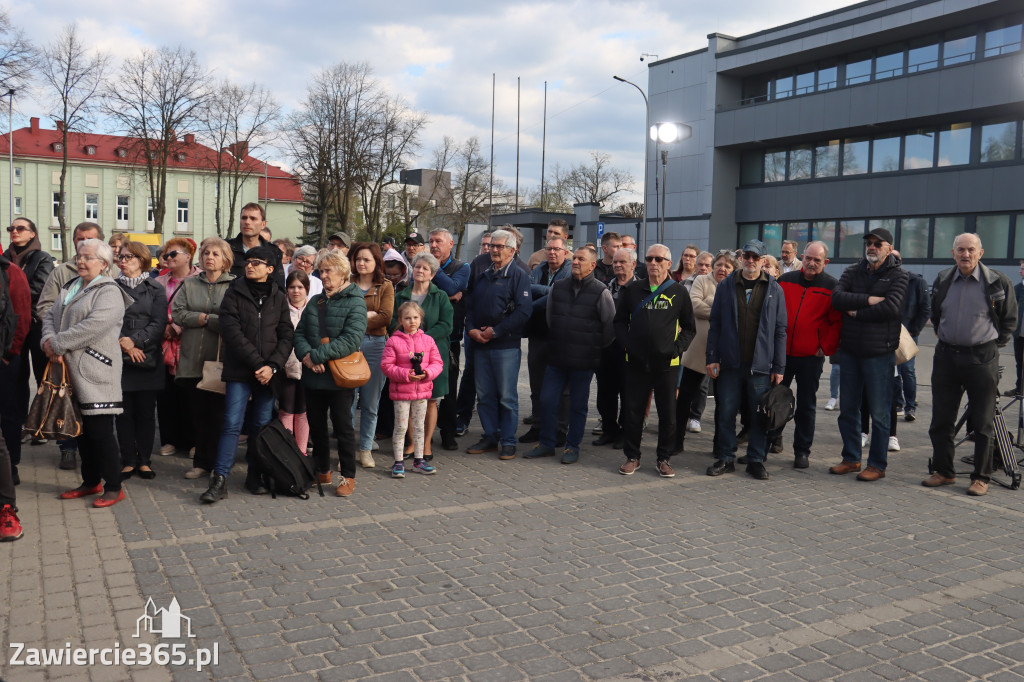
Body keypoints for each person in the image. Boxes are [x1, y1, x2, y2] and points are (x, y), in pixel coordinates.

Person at [924, 233, 1016, 497]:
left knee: (983, 421)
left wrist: (991, 347)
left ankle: (981, 476)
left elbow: (1009, 320)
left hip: (982, 358)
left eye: (971, 250)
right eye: (961, 250)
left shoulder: (998, 281)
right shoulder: (943, 279)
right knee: (941, 418)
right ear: (953, 253)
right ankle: (944, 471)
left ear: (981, 252)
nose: (966, 254)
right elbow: (936, 313)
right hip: (946, 357)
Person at [200, 245, 293, 503]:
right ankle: (219, 480)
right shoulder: (234, 291)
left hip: (268, 373)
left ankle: (256, 475)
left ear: (270, 269)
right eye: (248, 261)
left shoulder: (278, 296)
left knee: (260, 426)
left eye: (257, 262)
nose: (250, 265)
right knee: (231, 424)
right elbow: (232, 332)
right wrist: (258, 364)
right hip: (241, 370)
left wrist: (272, 366)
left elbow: (286, 335)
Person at [43, 238, 130, 508]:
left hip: (96, 371)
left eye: (88, 257)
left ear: (104, 264)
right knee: (80, 431)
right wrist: (47, 341)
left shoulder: (109, 291)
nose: (81, 261)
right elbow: (49, 316)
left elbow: (94, 326)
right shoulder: (71, 286)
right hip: (68, 370)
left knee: (101, 433)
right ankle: (90, 481)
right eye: (80, 256)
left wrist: (57, 343)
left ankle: (114, 486)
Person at [829, 227, 908, 482]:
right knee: (848, 409)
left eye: (877, 243)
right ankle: (851, 458)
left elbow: (892, 308)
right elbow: (838, 299)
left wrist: (858, 311)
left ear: (888, 247)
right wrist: (872, 299)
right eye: (869, 243)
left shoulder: (899, 275)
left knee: (880, 411)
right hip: (850, 350)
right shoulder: (853, 270)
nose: (871, 247)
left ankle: (876, 464)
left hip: (879, 353)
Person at [524, 247, 615, 464]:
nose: (575, 262)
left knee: (577, 406)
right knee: (547, 400)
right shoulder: (559, 287)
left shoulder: (601, 291)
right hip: (556, 358)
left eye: (581, 259)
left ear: (592, 265)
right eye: (574, 258)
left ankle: (572, 446)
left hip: (584, 361)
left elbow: (609, 327)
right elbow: (550, 319)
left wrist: (591, 347)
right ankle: (546, 444)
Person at [706, 239, 786, 480]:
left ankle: (755, 460)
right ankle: (726, 457)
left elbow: (781, 329)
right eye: (746, 257)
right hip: (730, 364)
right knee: (727, 412)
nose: (750, 261)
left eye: (755, 257)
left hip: (760, 366)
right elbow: (716, 324)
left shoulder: (774, 289)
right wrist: (712, 357)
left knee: (759, 415)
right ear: (740, 259)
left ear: (763, 260)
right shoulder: (727, 286)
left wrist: (779, 366)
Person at [614, 244, 696, 478]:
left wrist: (676, 349)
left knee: (668, 414)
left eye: (659, 259)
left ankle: (664, 458)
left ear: (669, 264)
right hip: (637, 362)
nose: (653, 263)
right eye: (649, 258)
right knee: (633, 412)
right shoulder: (633, 289)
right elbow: (619, 322)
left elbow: (690, 327)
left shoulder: (678, 292)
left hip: (666, 365)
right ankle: (632, 457)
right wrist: (627, 344)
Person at [292, 251, 367, 496]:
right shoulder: (315, 301)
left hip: (339, 376)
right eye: (320, 271)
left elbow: (351, 340)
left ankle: (348, 476)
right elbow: (300, 333)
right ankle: (322, 470)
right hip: (313, 374)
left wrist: (317, 356)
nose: (323, 276)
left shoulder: (356, 300)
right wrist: (306, 356)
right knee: (316, 425)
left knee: (343, 427)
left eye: (328, 271)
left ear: (343, 272)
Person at [766, 241, 842, 468]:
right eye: (808, 258)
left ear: (825, 263)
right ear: (802, 257)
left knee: (807, 405)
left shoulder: (832, 286)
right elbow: (771, 312)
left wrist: (825, 346)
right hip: (782, 355)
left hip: (810, 356)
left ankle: (802, 451)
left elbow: (836, 322)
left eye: (817, 260)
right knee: (775, 401)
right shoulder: (785, 281)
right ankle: (767, 444)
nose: (811, 263)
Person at [36, 221, 103, 468]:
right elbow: (45, 308)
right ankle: (67, 447)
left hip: (96, 353)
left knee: (94, 408)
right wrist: (54, 342)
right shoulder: (61, 272)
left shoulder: (111, 272)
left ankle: (98, 455)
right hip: (63, 353)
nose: (83, 243)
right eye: (79, 239)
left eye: (89, 239)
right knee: (64, 399)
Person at [463, 229, 533, 460]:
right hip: (480, 344)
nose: (493, 250)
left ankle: (509, 441)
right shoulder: (483, 274)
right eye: (492, 245)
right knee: (484, 396)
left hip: (505, 346)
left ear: (512, 250)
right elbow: (470, 305)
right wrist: (471, 329)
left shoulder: (519, 275)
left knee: (506, 397)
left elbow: (524, 310)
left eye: (499, 246)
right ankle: (490, 436)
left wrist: (497, 331)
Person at [171, 237, 235, 480]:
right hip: (192, 361)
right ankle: (200, 463)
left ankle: (217, 464)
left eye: (216, 254)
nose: (210, 257)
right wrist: (204, 319)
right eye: (207, 253)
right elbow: (177, 313)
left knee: (218, 416)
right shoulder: (189, 284)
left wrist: (206, 319)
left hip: (220, 361)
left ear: (225, 260)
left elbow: (233, 319)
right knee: (198, 416)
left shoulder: (234, 285)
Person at [388, 253, 453, 461]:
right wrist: (406, 338)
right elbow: (391, 321)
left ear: (433, 274)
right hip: (404, 356)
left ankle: (425, 445)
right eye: (417, 267)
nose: (420, 271)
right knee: (408, 399)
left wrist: (422, 339)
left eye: (425, 268)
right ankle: (411, 443)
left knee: (431, 400)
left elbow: (446, 324)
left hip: (433, 355)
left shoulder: (441, 296)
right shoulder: (400, 295)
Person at [114, 241, 166, 481]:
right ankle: (128, 460)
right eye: (121, 257)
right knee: (123, 413)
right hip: (119, 356)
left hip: (147, 355)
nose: (123, 261)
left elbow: (158, 323)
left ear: (142, 260)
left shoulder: (155, 288)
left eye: (129, 257)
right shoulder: (111, 287)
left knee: (146, 413)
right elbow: (107, 321)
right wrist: (124, 343)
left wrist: (135, 342)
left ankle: (144, 460)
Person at [676, 250, 736, 454]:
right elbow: (693, 305)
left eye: (727, 266)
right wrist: (721, 310)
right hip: (697, 349)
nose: (722, 269)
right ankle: (676, 440)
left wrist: (709, 304)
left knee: (723, 401)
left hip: (723, 354)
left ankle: (719, 445)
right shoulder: (701, 280)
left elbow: (737, 313)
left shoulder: (735, 285)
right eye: (719, 264)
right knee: (684, 397)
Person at [5, 218, 54, 456]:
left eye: (20, 228)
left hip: (36, 325)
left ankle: (43, 425)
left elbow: (41, 288)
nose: (14, 231)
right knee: (16, 377)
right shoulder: (5, 258)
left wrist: (15, 292)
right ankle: (22, 422)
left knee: (42, 375)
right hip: (11, 327)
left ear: (32, 233)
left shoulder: (41, 258)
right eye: (11, 228)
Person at [381, 301, 444, 478]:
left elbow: (437, 363)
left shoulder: (428, 340)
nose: (412, 321)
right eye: (407, 318)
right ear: (400, 320)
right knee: (401, 427)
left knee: (419, 427)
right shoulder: (393, 341)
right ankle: (398, 462)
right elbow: (386, 366)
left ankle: (419, 460)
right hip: (402, 391)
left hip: (422, 391)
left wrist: (427, 373)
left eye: (415, 317)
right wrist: (406, 374)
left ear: (421, 319)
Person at [521, 236, 572, 443]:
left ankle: (560, 429)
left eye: (557, 249)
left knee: (563, 387)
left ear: (565, 252)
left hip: (560, 336)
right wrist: (549, 292)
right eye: (549, 249)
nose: (552, 253)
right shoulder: (539, 269)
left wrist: (533, 304)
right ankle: (538, 425)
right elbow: (526, 290)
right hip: (537, 334)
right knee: (536, 384)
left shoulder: (569, 269)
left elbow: (561, 294)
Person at [349, 243, 394, 470]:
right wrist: (365, 316)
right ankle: (347, 452)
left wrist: (355, 319)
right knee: (347, 402)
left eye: (366, 259)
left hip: (376, 346)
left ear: (376, 262)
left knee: (370, 402)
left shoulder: (385, 286)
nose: (361, 263)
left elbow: (386, 317)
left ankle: (365, 448)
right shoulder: (347, 284)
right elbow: (339, 316)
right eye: (358, 259)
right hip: (348, 347)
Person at [155, 237, 199, 459]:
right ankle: (170, 439)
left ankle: (193, 441)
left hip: (189, 343)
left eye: (173, 254)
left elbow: (200, 308)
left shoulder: (199, 280)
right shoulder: (159, 281)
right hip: (163, 343)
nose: (168, 258)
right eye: (166, 255)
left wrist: (177, 327)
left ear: (188, 256)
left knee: (190, 393)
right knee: (166, 394)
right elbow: (152, 309)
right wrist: (163, 326)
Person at [427, 228, 470, 451]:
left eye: (439, 241)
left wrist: (432, 268)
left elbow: (455, 286)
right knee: (422, 387)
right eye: (431, 241)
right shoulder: (421, 265)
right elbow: (423, 291)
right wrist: (447, 293)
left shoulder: (462, 267)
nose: (434, 245)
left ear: (451, 244)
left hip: (450, 340)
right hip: (423, 337)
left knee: (448, 389)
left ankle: (448, 432)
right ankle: (421, 434)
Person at [594, 248, 640, 448]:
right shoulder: (606, 288)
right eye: (615, 262)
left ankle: (625, 432)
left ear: (633, 265)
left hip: (630, 350)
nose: (618, 265)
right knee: (605, 393)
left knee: (629, 394)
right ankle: (609, 429)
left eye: (622, 262)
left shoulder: (641, 289)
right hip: (607, 348)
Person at [0, 251, 30, 486]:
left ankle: (11, 467)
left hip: (5, 357)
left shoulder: (11, 271)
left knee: (8, 412)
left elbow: (21, 316)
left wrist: (10, 354)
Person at [895, 252, 931, 421]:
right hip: (886, 332)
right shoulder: (885, 281)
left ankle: (910, 406)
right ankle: (897, 403)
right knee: (891, 372)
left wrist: (913, 330)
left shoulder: (916, 281)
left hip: (907, 333)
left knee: (907, 370)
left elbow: (925, 309)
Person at [281, 270, 311, 456]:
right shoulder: (281, 310)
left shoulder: (313, 309)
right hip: (286, 367)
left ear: (307, 289)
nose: (296, 291)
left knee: (303, 411)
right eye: (292, 287)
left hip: (307, 368)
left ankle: (301, 452)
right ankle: (286, 451)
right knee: (286, 409)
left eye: (300, 287)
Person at [226, 203, 284, 290]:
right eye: (244, 218)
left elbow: (279, 288)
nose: (247, 222)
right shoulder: (226, 248)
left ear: (263, 224)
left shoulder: (274, 252)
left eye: (253, 218)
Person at [1011, 260, 1024, 398]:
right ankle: (1019, 388)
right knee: (1019, 362)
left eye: (1023, 269)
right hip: (1019, 334)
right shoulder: (1017, 289)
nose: (1020, 271)